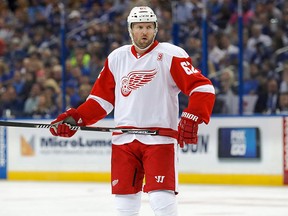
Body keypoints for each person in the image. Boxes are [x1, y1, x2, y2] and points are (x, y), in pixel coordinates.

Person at [49, 6, 215, 216]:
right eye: (139, 27)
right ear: (130, 30)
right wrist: (76, 118)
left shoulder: (170, 55)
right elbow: (100, 101)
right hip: (124, 142)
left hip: (160, 141)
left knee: (161, 200)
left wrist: (194, 114)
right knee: (124, 206)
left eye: (148, 27)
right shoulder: (117, 58)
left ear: (155, 29)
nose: (143, 32)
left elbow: (203, 88)